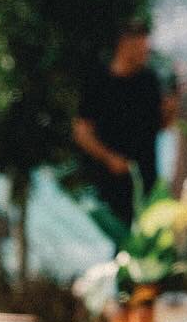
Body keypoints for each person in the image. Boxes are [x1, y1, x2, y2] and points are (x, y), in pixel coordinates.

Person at [72, 18, 179, 231]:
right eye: (140, 47)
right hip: (110, 179)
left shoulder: (149, 81)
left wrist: (170, 109)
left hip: (146, 177)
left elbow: (161, 126)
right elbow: (81, 132)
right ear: (124, 44)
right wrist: (109, 158)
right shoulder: (99, 82)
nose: (145, 53)